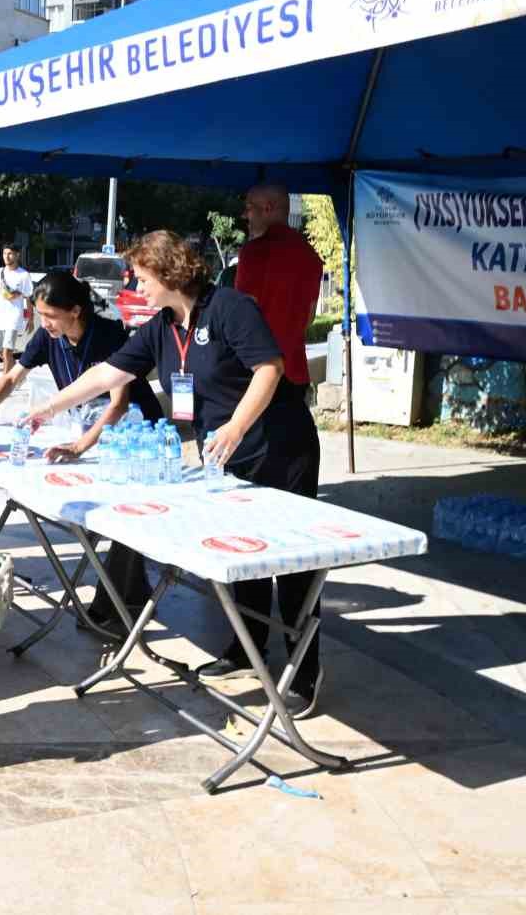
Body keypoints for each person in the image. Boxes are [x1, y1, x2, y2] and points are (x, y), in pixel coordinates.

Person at [26, 231, 323, 719]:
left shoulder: (229, 308)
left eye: (141, 278)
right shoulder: (162, 327)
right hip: (226, 453)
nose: (136, 287)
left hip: (277, 446)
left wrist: (235, 425)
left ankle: (303, 673)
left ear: (167, 272)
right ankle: (244, 651)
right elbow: (107, 375)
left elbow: (269, 369)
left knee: (291, 564)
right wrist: (48, 408)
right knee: (240, 552)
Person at [0, 270, 163, 632]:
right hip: (92, 435)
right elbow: (13, 377)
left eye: (50, 316)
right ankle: (133, 597)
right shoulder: (48, 338)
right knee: (103, 516)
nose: (43, 323)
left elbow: (118, 404)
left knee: (119, 517)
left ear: (75, 311)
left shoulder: (109, 336)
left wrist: (79, 446)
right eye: (41, 315)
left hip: (133, 438)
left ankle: (116, 606)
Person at [230, 183, 327, 711]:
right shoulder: (308, 255)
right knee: (286, 541)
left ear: (267, 208)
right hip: (289, 398)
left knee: (262, 537)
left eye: (247, 207)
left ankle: (262, 651)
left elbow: (253, 328)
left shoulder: (258, 253)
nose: (243, 215)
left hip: (265, 398)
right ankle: (295, 661)